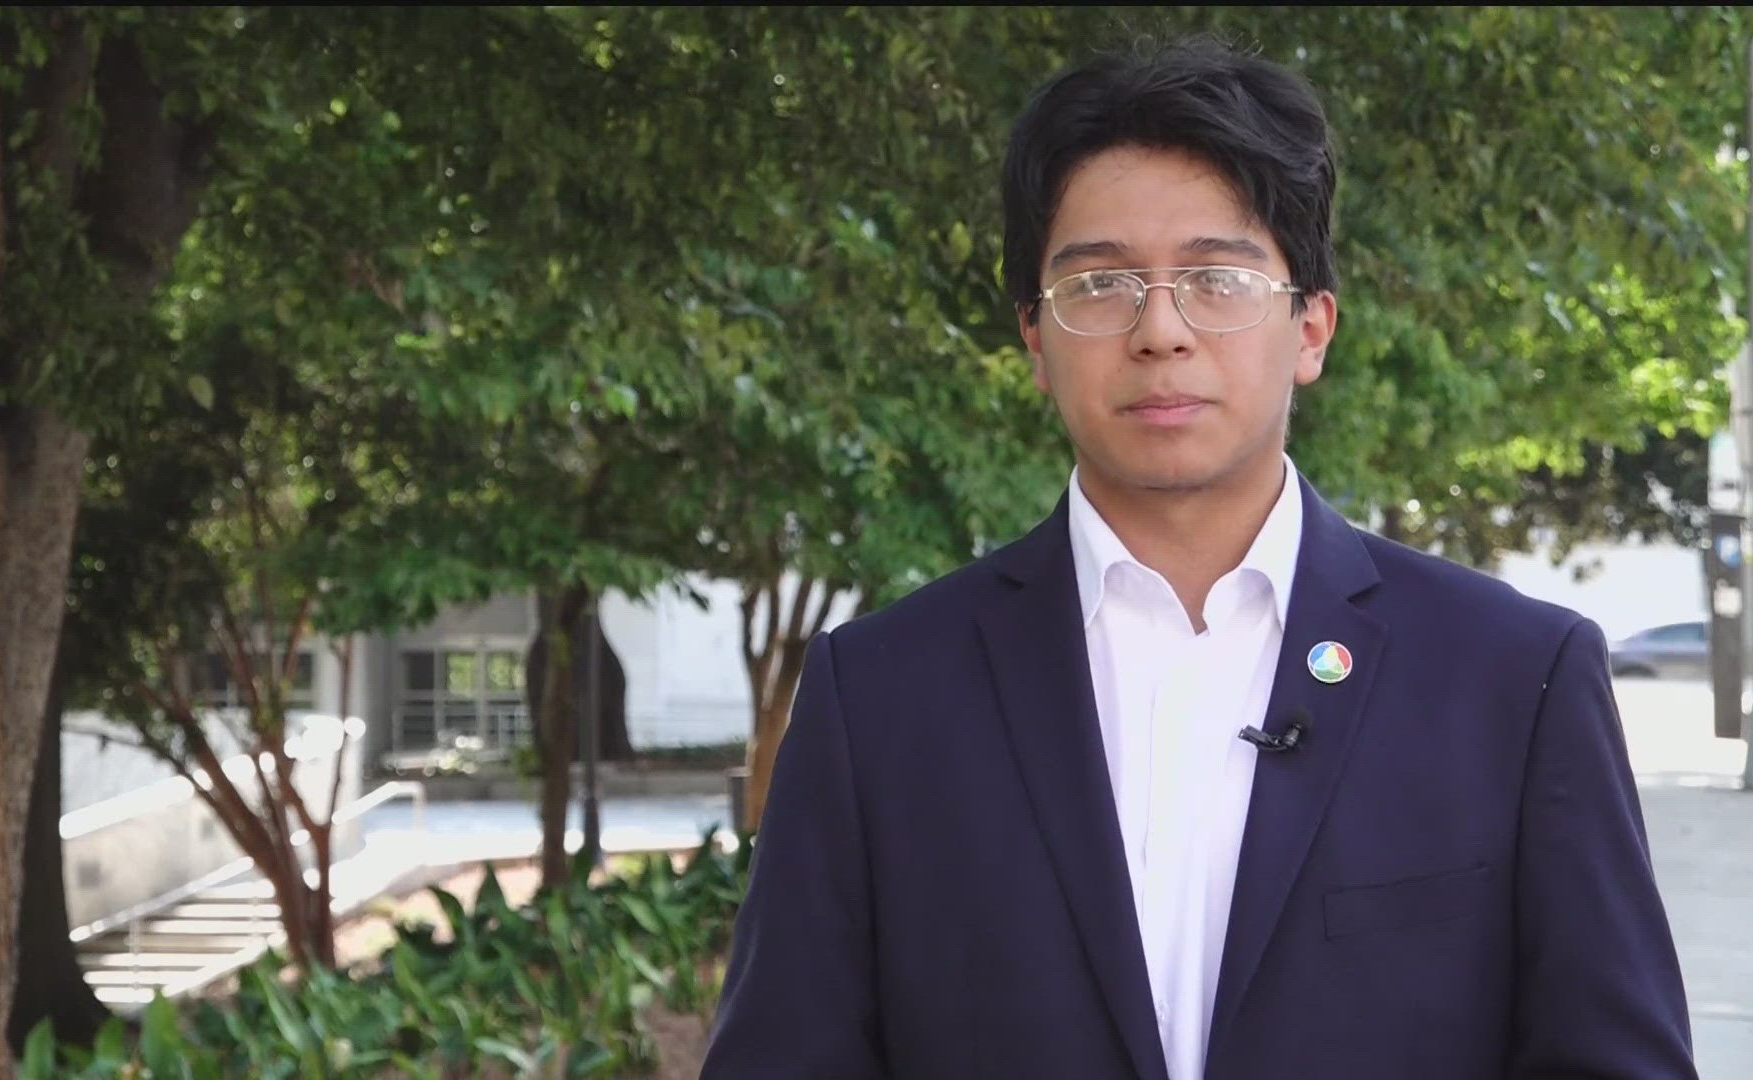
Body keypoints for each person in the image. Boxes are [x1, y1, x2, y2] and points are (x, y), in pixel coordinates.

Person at [701, 39, 1694, 1080]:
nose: (1161, 329)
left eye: (1218, 279)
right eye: (1101, 284)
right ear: (1036, 340)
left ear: (1311, 327)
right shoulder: (881, 693)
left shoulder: (1514, 678)